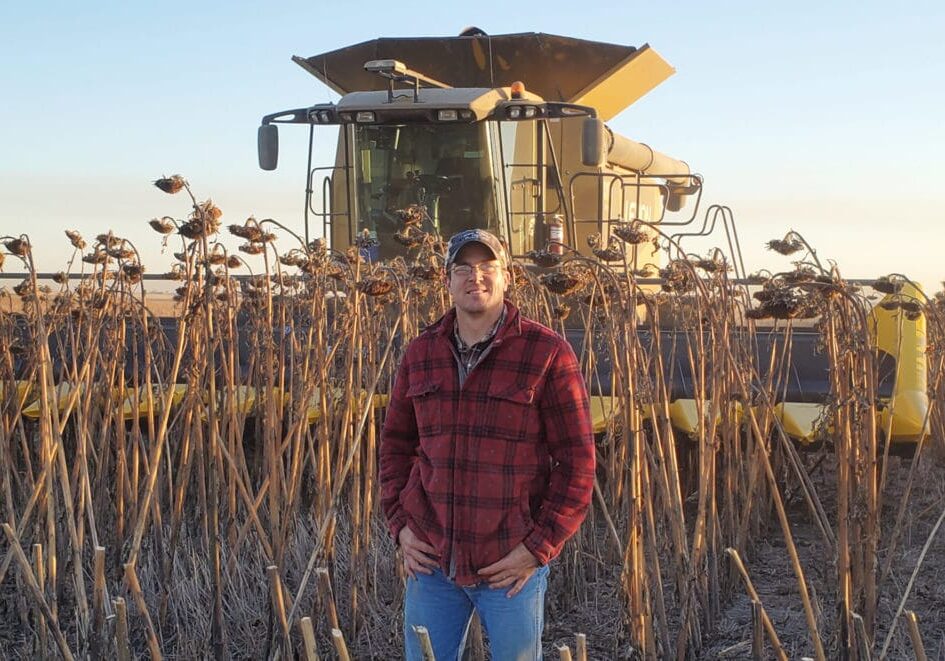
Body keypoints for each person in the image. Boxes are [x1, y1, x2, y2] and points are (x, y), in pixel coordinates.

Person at [379, 229, 596, 660]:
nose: (474, 277)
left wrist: (537, 548)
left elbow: (578, 463)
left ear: (507, 276)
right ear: (447, 280)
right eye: (463, 268)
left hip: (509, 565)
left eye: (486, 267)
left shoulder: (547, 353)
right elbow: (396, 446)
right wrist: (401, 524)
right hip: (432, 559)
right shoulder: (420, 353)